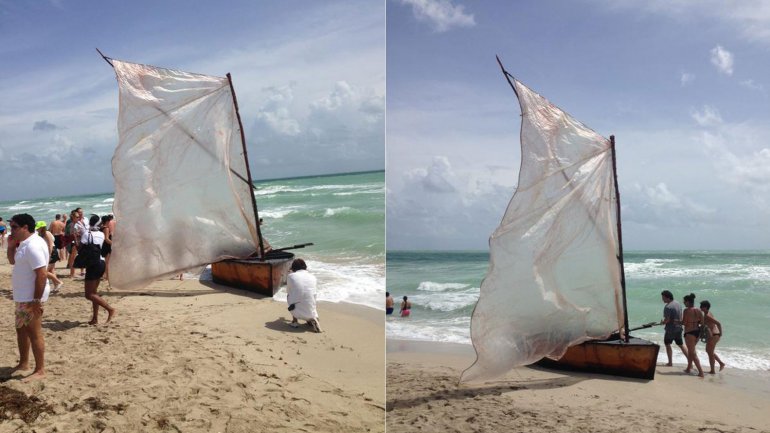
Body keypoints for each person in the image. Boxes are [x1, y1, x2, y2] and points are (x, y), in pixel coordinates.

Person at [6, 213, 51, 381]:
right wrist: (11, 247)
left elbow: (42, 274)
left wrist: (36, 301)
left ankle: (40, 370)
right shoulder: (23, 243)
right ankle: (24, 363)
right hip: (22, 295)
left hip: (31, 297)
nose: (12, 231)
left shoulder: (33, 245)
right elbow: (13, 262)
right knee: (21, 330)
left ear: (26, 227)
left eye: (15, 227)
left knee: (34, 332)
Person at [81, 214, 115, 325]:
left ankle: (110, 309)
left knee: (88, 295)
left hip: (93, 264)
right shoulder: (101, 234)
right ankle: (95, 318)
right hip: (101, 263)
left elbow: (81, 247)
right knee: (94, 293)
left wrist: (77, 238)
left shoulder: (86, 234)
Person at [286, 258, 321, 333]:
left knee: (289, 295)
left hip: (297, 311)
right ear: (305, 267)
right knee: (310, 296)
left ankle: (295, 321)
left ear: (293, 267)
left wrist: (291, 272)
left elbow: (288, 291)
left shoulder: (291, 276)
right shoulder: (313, 277)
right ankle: (310, 319)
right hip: (311, 310)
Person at [660, 290, 687, 366]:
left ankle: (670, 362)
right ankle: (690, 361)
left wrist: (663, 322)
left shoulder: (668, 307)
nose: (662, 299)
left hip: (670, 329)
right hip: (679, 328)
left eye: (663, 298)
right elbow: (680, 317)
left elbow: (667, 320)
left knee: (667, 344)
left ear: (667, 298)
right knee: (681, 345)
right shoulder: (678, 304)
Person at [36, 221, 64, 292]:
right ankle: (56, 286)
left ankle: (59, 282)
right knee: (51, 270)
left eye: (38, 228)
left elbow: (50, 244)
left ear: (42, 227)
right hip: (50, 252)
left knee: (44, 271)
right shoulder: (41, 234)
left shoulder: (46, 233)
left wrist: (49, 255)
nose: (37, 229)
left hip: (51, 252)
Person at [700, 300, 726, 374]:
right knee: (709, 351)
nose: (700, 307)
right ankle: (720, 363)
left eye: (701, 306)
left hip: (714, 335)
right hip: (713, 335)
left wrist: (720, 334)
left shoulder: (707, 315)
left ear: (705, 307)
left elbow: (718, 323)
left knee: (710, 352)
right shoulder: (707, 314)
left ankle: (713, 370)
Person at [682, 293, 704, 377]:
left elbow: (684, 323)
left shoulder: (686, 310)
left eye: (684, 301)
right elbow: (702, 322)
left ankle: (701, 372)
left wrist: (677, 321)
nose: (684, 303)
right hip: (697, 332)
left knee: (693, 352)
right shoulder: (698, 310)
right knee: (691, 351)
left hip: (689, 333)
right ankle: (688, 368)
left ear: (688, 302)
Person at [100, 214, 113, 282]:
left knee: (106, 262)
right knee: (107, 263)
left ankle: (104, 275)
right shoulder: (106, 228)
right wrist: (114, 244)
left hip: (103, 245)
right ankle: (107, 277)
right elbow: (107, 239)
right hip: (107, 246)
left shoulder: (101, 227)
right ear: (107, 221)